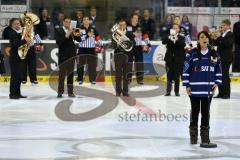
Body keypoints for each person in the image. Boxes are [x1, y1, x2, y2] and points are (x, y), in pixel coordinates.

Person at [183, 31, 222, 148]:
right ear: (198, 40)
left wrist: (217, 83)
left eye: (206, 37)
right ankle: (193, 137)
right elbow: (185, 70)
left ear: (209, 40)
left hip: (207, 90)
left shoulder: (214, 54)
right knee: (194, 113)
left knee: (206, 113)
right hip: (194, 89)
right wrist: (187, 85)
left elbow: (218, 70)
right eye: (201, 37)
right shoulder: (192, 54)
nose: (204, 39)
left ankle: (205, 138)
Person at [55, 16, 78, 98]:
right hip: (63, 56)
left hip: (72, 55)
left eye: (69, 22)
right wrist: (68, 33)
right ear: (63, 22)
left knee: (70, 75)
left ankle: (70, 92)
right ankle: (60, 92)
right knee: (61, 75)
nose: (68, 23)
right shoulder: (58, 30)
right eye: (66, 22)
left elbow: (79, 39)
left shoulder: (73, 30)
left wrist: (75, 32)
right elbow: (59, 42)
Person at [76, 15, 102, 85]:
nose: (86, 21)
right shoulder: (78, 29)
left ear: (89, 21)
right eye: (85, 19)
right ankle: (80, 79)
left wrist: (101, 45)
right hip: (82, 49)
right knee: (80, 65)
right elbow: (78, 39)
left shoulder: (93, 28)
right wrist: (87, 35)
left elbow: (98, 37)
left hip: (91, 49)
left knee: (92, 65)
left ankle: (93, 79)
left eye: (87, 19)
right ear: (82, 21)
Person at [112, 19, 134, 96]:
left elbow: (133, 43)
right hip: (118, 55)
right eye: (120, 25)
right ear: (118, 25)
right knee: (118, 75)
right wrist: (118, 43)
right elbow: (112, 45)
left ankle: (125, 92)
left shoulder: (130, 33)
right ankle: (118, 92)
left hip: (127, 55)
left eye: (123, 25)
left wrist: (126, 42)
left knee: (126, 75)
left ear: (126, 25)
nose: (122, 26)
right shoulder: (115, 34)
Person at [162, 24, 186, 96]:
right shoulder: (168, 36)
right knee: (169, 76)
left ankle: (176, 91)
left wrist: (176, 39)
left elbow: (182, 44)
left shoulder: (181, 37)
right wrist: (170, 37)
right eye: (173, 28)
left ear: (179, 29)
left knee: (177, 76)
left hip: (178, 60)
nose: (175, 29)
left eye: (176, 28)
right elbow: (163, 42)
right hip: (169, 59)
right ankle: (168, 91)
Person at [213, 19, 234, 99]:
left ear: (228, 26)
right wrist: (214, 37)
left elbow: (227, 44)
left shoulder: (230, 34)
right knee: (219, 75)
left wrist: (219, 37)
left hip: (226, 58)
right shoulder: (222, 34)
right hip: (220, 57)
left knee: (225, 76)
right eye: (222, 25)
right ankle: (221, 93)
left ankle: (226, 94)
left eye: (224, 25)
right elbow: (216, 43)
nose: (222, 27)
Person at [127, 13, 151, 85]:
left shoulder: (141, 27)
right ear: (131, 19)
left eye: (137, 19)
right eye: (134, 18)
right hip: (129, 48)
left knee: (139, 63)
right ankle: (128, 79)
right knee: (129, 64)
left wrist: (148, 45)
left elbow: (146, 36)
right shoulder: (127, 27)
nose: (136, 20)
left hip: (138, 48)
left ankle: (140, 79)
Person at [8, 18, 29, 99]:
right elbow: (15, 44)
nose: (18, 25)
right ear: (12, 25)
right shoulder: (12, 33)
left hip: (20, 57)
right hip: (14, 58)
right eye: (16, 24)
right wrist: (25, 40)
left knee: (19, 76)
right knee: (14, 76)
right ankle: (12, 94)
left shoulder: (18, 33)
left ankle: (17, 93)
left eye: (18, 23)